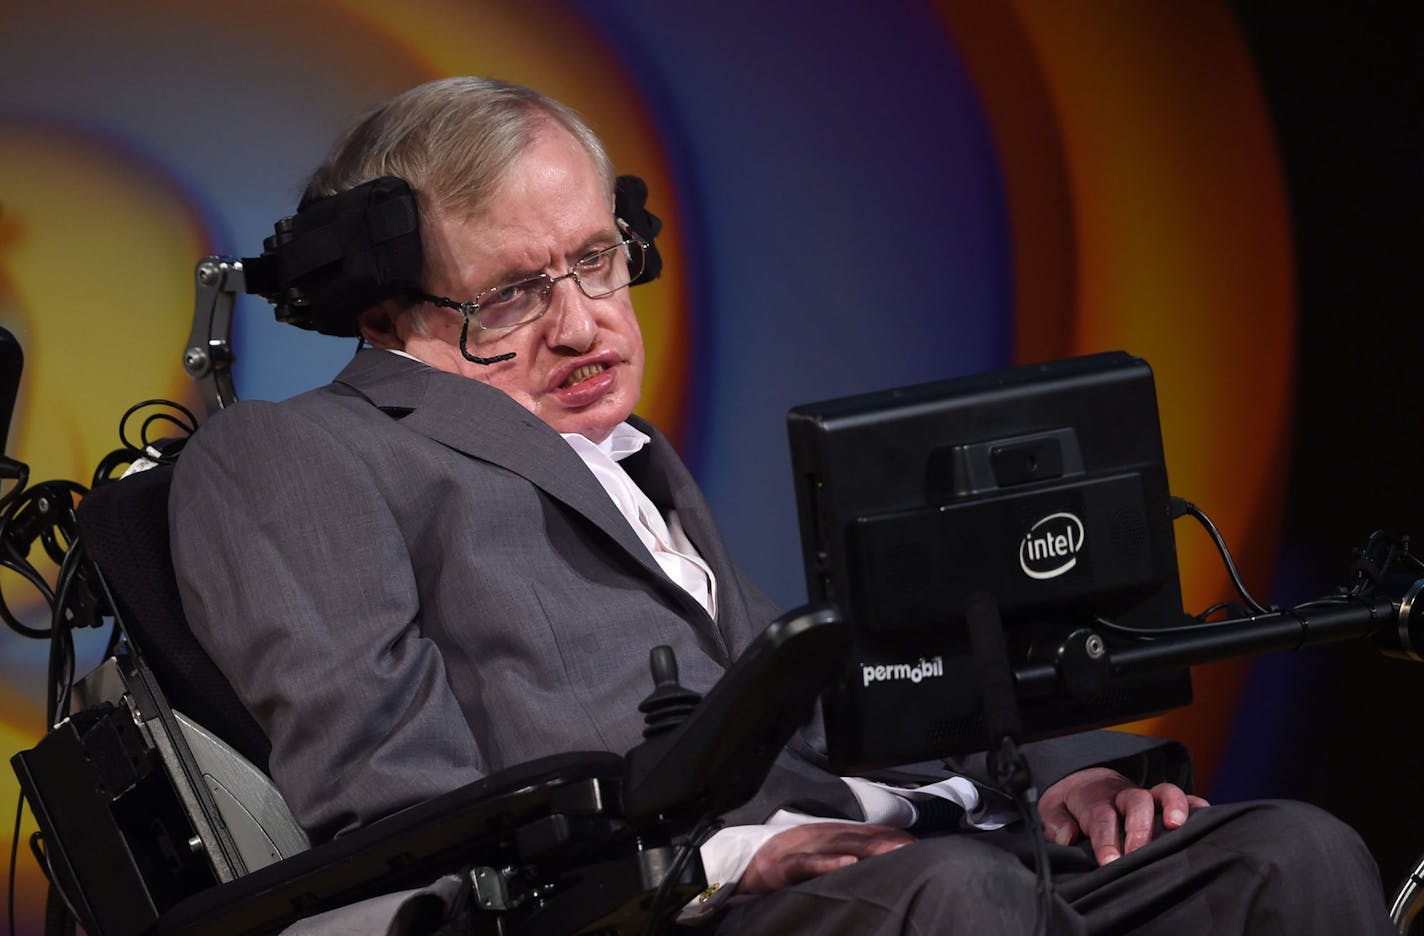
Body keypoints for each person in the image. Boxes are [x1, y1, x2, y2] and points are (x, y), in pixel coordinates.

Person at [170, 76, 1394, 933]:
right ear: (390, 314)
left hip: (912, 862)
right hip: (676, 905)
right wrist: (727, 860)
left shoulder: (623, 459)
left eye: (596, 260)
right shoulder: (296, 456)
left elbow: (828, 710)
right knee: (962, 899)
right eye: (511, 294)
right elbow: (398, 806)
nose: (586, 321)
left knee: (1286, 855)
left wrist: (1060, 774)